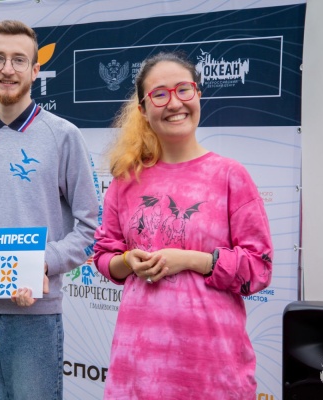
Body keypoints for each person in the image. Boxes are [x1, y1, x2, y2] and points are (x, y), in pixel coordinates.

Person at [0, 20, 100, 400]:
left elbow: (91, 230)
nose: (7, 69)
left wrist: (41, 262)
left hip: (34, 317)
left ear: (35, 70)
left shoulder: (63, 136)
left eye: (19, 60)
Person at [93, 52, 273, 399]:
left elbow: (258, 270)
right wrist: (127, 261)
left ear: (198, 94)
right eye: (160, 94)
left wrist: (191, 260)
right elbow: (104, 256)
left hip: (212, 374)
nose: (174, 103)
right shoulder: (126, 180)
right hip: (137, 372)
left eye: (183, 90)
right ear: (143, 109)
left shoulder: (230, 176)